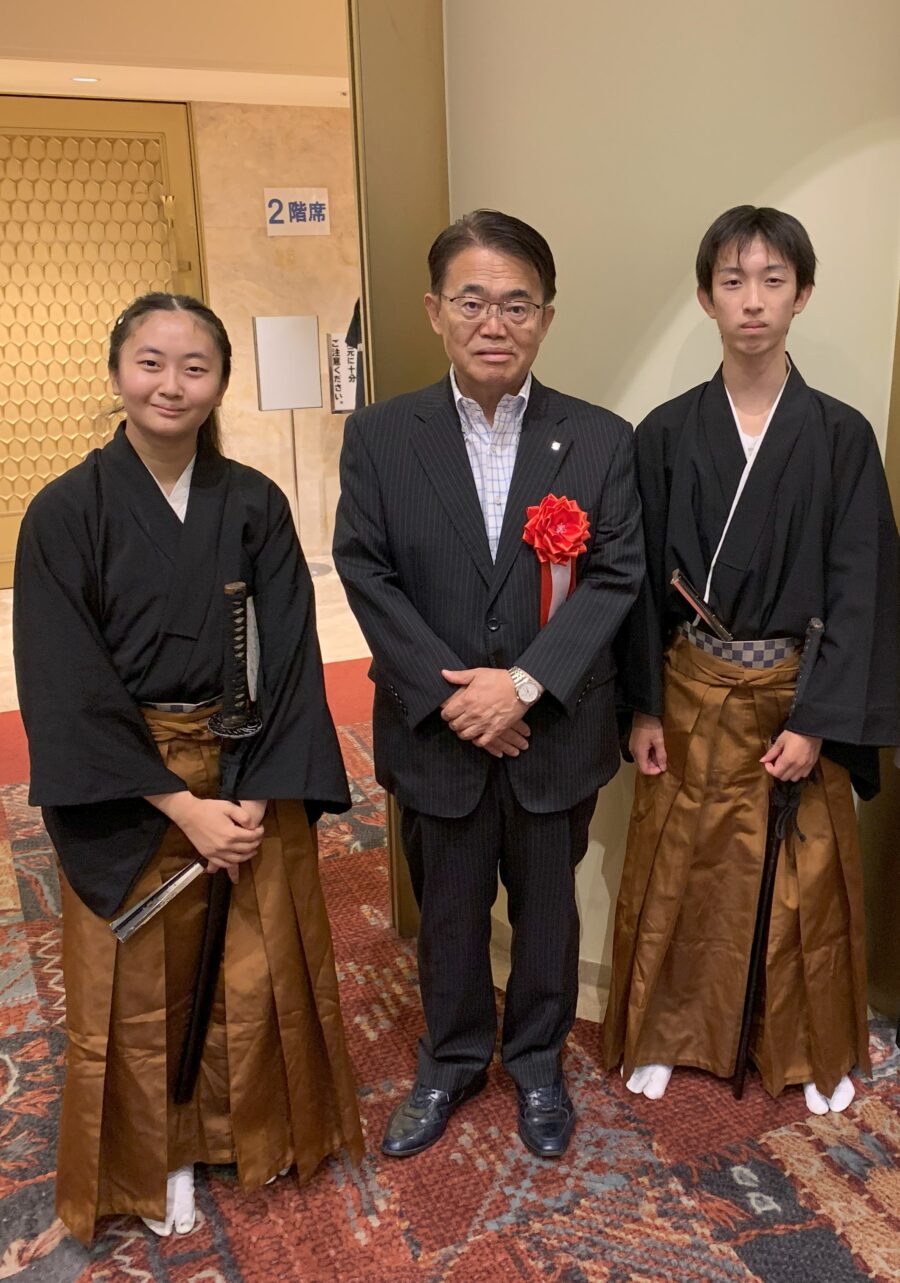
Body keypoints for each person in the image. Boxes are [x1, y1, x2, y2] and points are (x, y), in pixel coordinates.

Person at [14, 293, 363, 1243]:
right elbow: (64, 682)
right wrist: (181, 806)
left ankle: (251, 1129)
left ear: (220, 382)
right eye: (152, 362)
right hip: (133, 783)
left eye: (196, 366)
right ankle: (153, 1154)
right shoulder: (65, 511)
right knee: (135, 987)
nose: (172, 384)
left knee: (256, 969)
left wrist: (246, 798)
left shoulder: (252, 501)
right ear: (118, 370)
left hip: (248, 761)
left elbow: (289, 650)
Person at [333, 210, 644, 1159]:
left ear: (546, 317)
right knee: (451, 910)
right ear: (436, 311)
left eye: (517, 302)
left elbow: (617, 573)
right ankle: (454, 1057)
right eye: (473, 300)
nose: (494, 320)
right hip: (437, 733)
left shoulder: (598, 437)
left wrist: (523, 685)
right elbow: (365, 568)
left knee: (550, 910)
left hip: (551, 732)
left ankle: (540, 1063)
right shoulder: (384, 434)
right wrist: (455, 695)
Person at [602, 206, 900, 1113]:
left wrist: (817, 719)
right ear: (706, 298)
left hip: (793, 692)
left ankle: (807, 1046)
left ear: (802, 294)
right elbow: (640, 583)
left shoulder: (841, 435)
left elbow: (862, 587)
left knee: (804, 883)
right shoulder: (663, 432)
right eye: (733, 281)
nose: (753, 300)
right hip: (691, 686)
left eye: (773, 280)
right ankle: (663, 1033)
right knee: (680, 868)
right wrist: (642, 706)